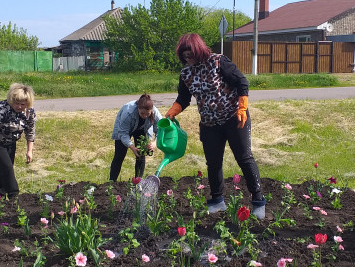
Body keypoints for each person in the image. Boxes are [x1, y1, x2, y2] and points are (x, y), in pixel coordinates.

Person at [164, 33, 266, 218]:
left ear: (199, 50)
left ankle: (258, 201)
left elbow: (242, 82)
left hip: (234, 118)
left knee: (244, 158)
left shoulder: (218, 62)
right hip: (209, 124)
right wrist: (173, 111)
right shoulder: (186, 74)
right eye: (185, 56)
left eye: (191, 54)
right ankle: (218, 201)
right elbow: (183, 98)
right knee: (213, 163)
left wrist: (242, 108)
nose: (188, 59)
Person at [0, 83, 36, 199]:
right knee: (7, 168)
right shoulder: (0, 109)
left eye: (23, 104)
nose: (19, 106)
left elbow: (30, 132)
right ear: (11, 100)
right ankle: (14, 197)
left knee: (3, 170)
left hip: (10, 141)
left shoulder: (29, 112)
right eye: (17, 103)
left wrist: (29, 151)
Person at [110, 93, 162, 181]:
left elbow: (161, 130)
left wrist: (154, 143)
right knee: (119, 156)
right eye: (142, 113)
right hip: (124, 129)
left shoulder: (155, 113)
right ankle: (111, 183)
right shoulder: (128, 112)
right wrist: (131, 146)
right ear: (138, 108)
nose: (145, 116)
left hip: (142, 129)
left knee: (141, 155)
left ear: (151, 110)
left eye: (147, 114)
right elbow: (123, 133)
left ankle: (138, 182)